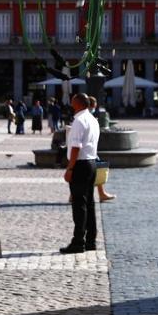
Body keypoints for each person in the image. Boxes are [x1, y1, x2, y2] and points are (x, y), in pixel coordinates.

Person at [60, 92, 100, 253]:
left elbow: (76, 147)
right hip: (91, 163)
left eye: (72, 102)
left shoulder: (79, 121)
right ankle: (91, 240)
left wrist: (70, 168)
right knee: (89, 203)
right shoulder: (92, 119)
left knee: (79, 205)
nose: (71, 105)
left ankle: (78, 242)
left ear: (77, 104)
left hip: (80, 165)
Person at [87, 95, 116, 202]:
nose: (93, 110)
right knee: (96, 170)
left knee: (93, 170)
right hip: (87, 150)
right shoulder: (86, 118)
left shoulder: (89, 117)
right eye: (92, 107)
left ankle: (101, 193)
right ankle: (101, 194)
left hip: (90, 149)